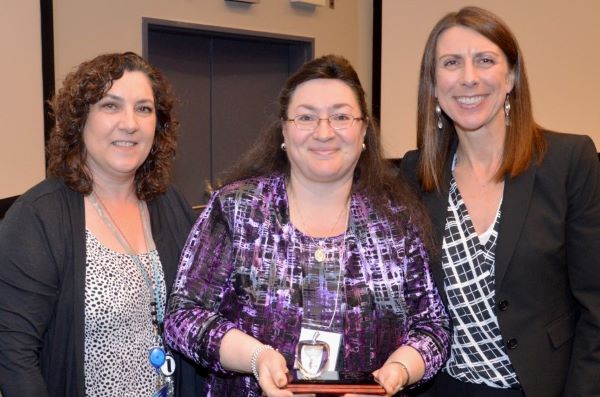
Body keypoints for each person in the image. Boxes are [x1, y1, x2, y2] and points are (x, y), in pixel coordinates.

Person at [163, 54, 450, 397]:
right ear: (284, 130)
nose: (324, 131)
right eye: (306, 117)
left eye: (341, 116)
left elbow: (433, 328)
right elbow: (183, 317)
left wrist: (399, 371)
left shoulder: (396, 220)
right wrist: (256, 358)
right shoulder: (237, 209)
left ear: (363, 131)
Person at [400, 6, 600, 397]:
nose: (468, 78)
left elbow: (597, 305)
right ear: (434, 84)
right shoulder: (415, 173)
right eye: (452, 63)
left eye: (485, 61)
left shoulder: (568, 161)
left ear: (510, 76)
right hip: (444, 390)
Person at [0, 52, 205, 396]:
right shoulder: (39, 216)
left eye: (144, 108)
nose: (130, 123)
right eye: (111, 106)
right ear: (80, 120)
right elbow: (12, 351)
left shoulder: (169, 204)